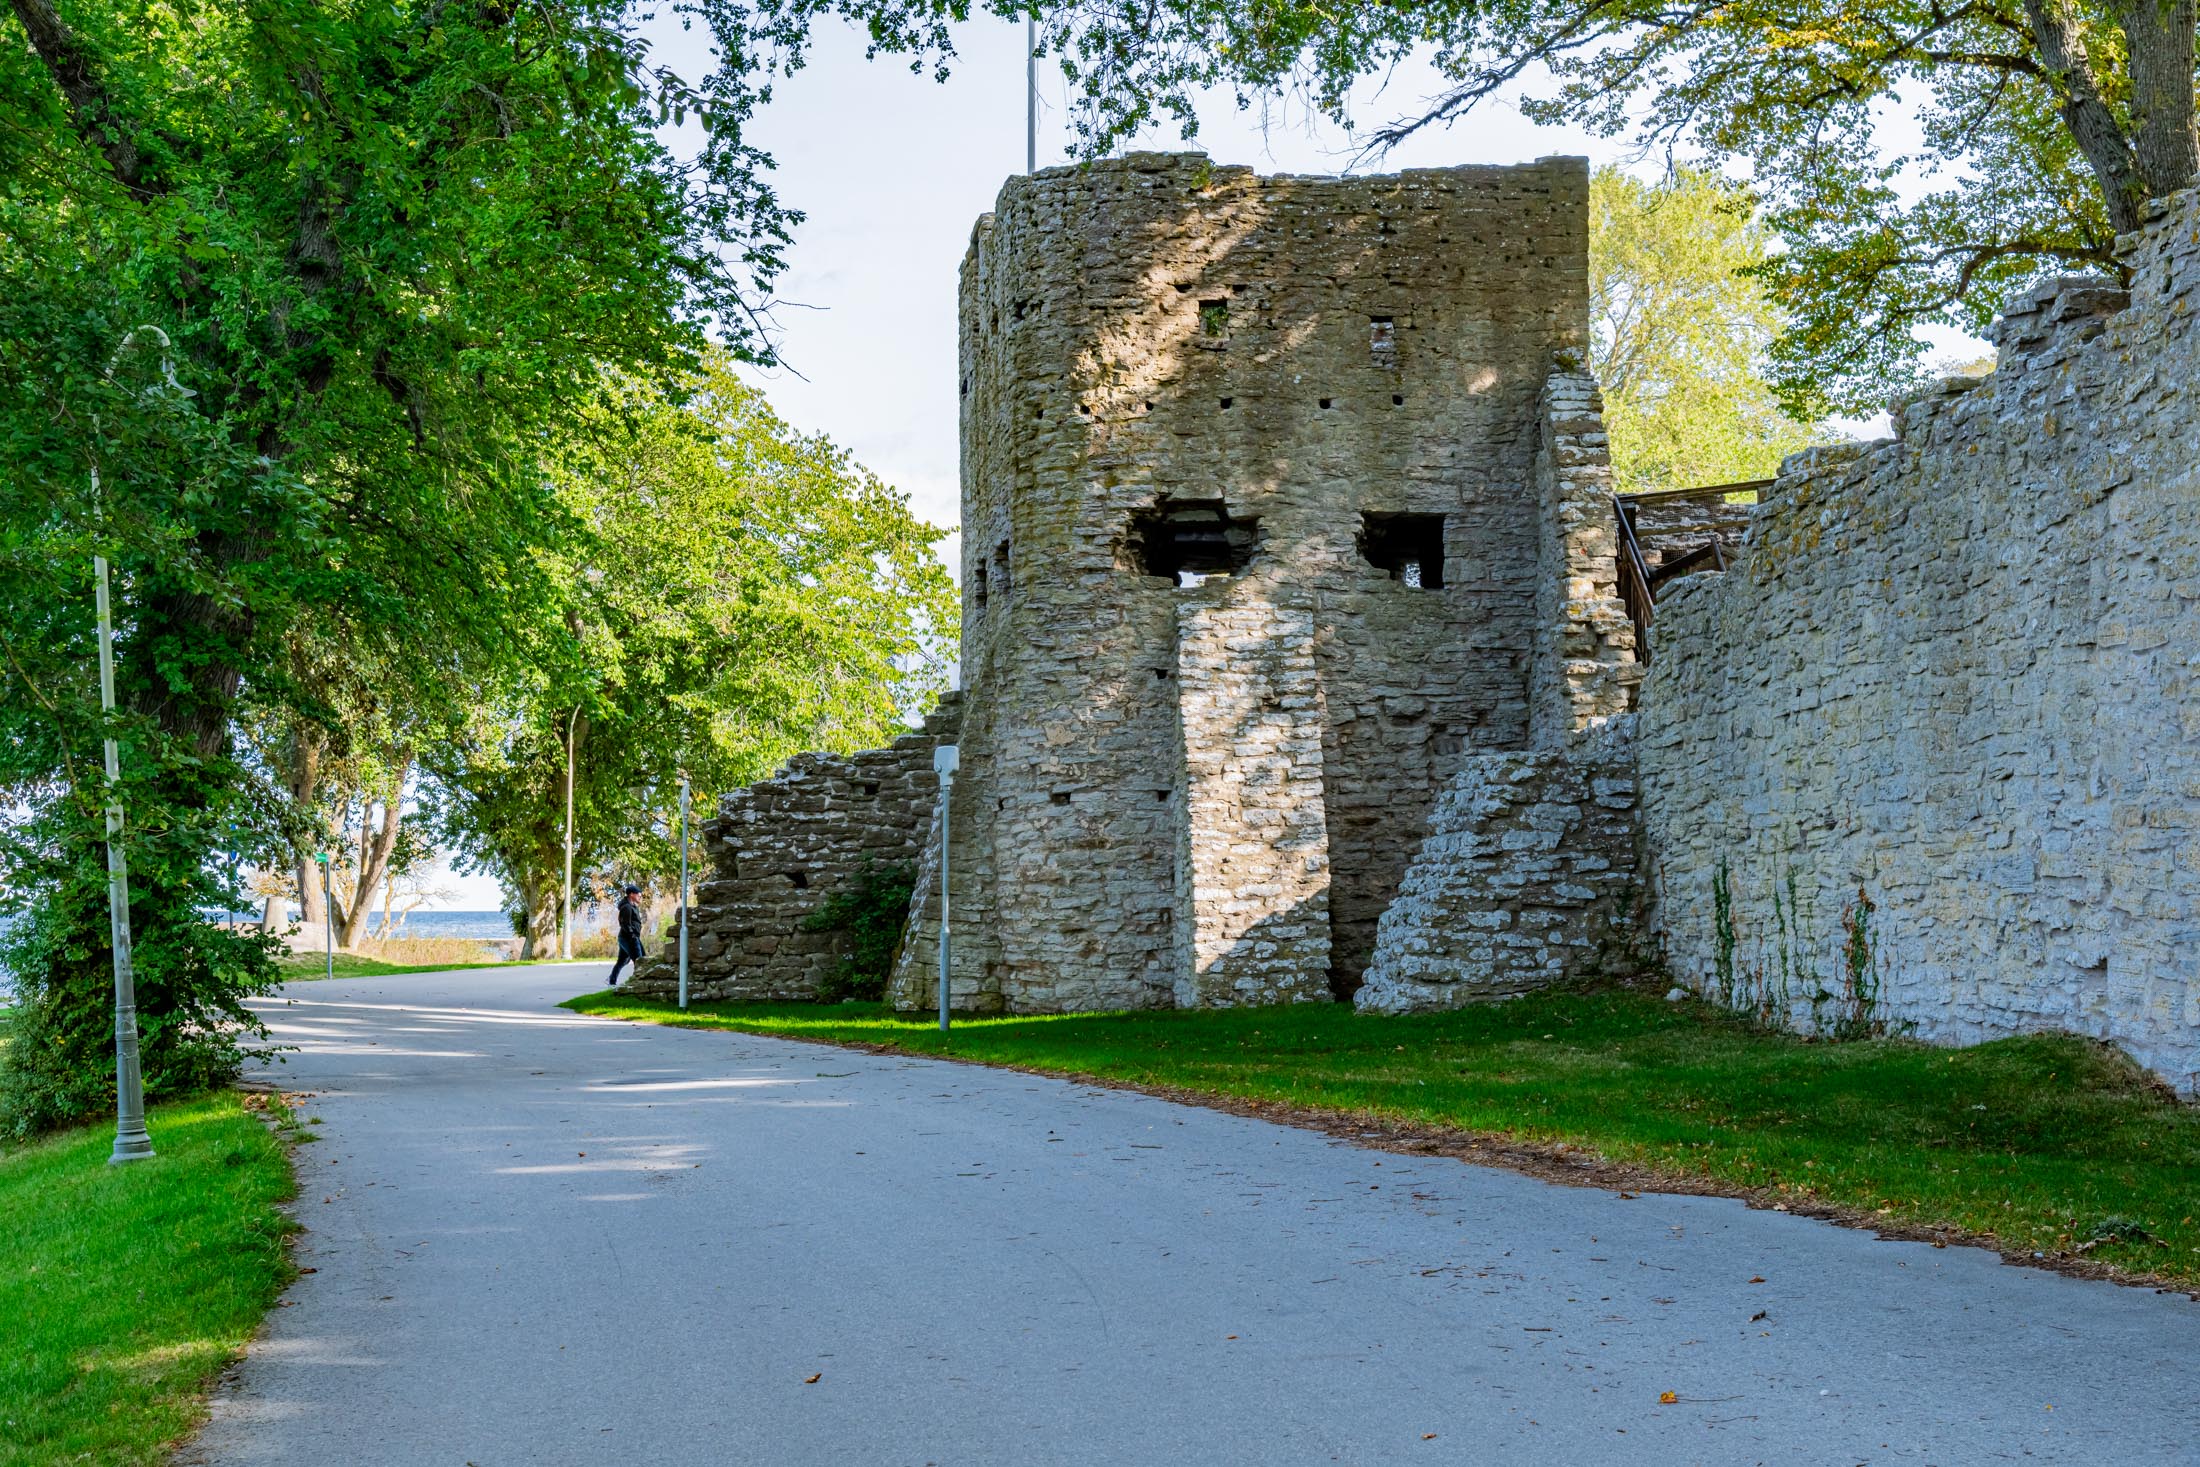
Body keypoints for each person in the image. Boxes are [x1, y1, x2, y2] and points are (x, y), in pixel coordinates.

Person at [608, 883, 646, 987]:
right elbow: (625, 924)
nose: (640, 897)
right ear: (631, 894)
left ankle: (611, 980)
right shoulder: (627, 907)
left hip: (629, 937)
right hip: (628, 938)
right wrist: (633, 936)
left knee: (622, 961)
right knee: (640, 960)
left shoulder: (633, 906)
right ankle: (638, 983)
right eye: (639, 895)